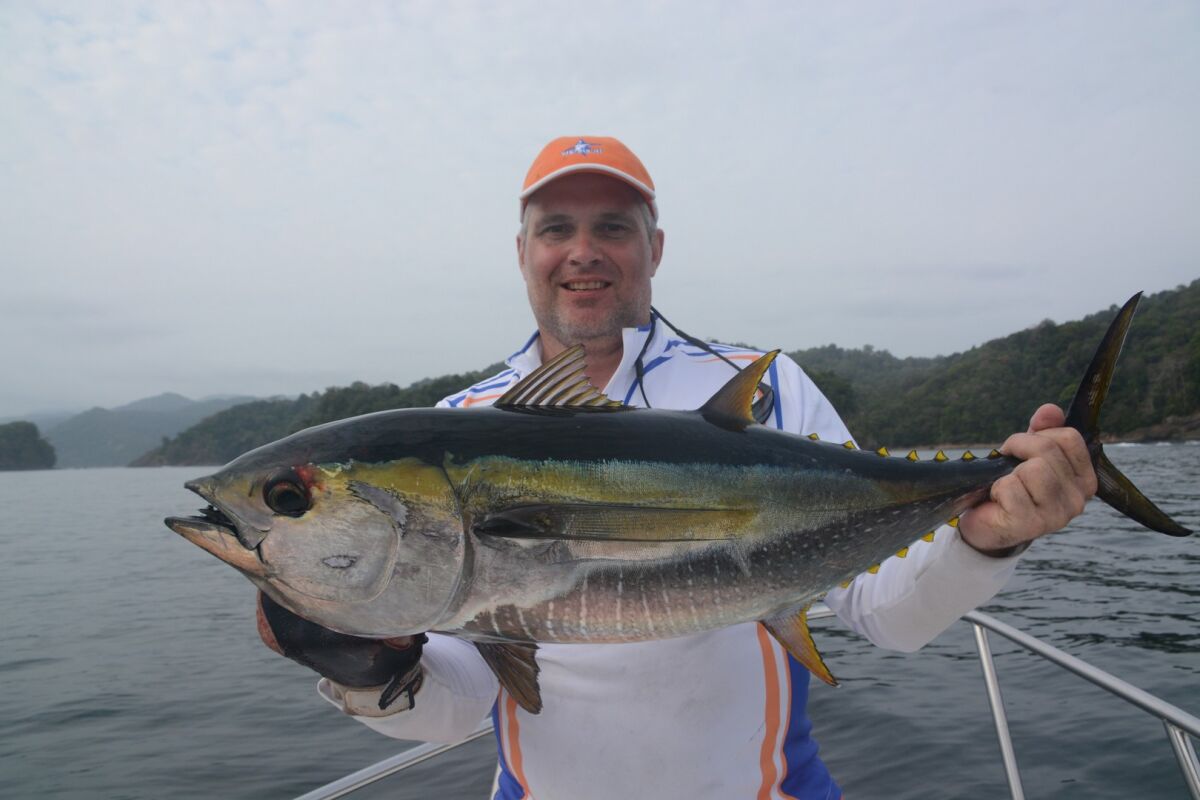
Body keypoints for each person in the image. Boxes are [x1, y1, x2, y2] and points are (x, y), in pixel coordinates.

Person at [258, 136, 1097, 799]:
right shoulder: (456, 431)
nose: (583, 251)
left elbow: (890, 617)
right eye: (556, 228)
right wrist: (365, 666)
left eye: (612, 227)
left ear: (654, 247)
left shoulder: (765, 392)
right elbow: (459, 704)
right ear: (522, 252)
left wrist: (987, 540)